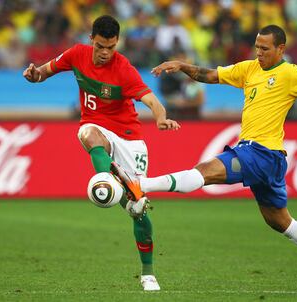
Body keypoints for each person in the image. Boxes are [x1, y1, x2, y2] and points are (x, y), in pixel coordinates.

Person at [113, 25, 297, 289]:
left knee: (204, 171)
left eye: (265, 48)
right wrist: (182, 65)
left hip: (262, 153)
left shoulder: (290, 73)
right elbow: (209, 74)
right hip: (265, 159)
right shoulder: (249, 68)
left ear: (281, 49)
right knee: (279, 221)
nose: (259, 52)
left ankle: (140, 184)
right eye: (257, 47)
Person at [23, 15, 180, 291]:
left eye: (110, 47)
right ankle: (108, 181)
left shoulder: (124, 70)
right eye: (100, 46)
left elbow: (152, 100)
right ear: (90, 41)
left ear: (117, 43)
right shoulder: (76, 55)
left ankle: (147, 272)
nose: (105, 53)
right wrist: (34, 76)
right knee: (87, 133)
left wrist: (160, 118)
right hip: (97, 127)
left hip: (129, 140)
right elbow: (43, 71)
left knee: (138, 209)